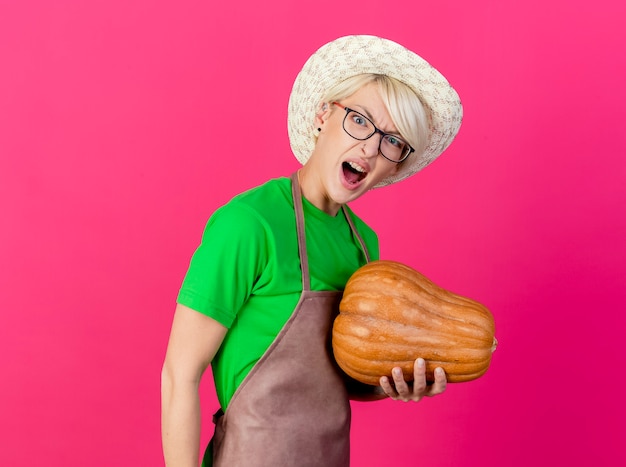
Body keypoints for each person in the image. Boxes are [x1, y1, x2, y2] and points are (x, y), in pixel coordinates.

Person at [161, 35, 463, 467]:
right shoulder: (250, 224)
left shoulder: (363, 244)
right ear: (324, 115)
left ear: (396, 163)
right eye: (360, 121)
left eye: (392, 142)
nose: (370, 148)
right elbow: (179, 376)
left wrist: (393, 381)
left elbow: (341, 376)